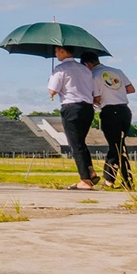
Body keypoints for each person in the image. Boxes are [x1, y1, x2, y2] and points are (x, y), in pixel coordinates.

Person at [48, 47, 101, 190]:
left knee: (75, 144)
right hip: (87, 108)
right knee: (80, 142)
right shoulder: (84, 69)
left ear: (62, 51)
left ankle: (85, 180)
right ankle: (90, 171)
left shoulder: (60, 69)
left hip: (71, 107)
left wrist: (50, 81)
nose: (56, 54)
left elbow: (53, 90)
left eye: (57, 51)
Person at [83, 52, 136, 189]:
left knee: (117, 148)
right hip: (125, 110)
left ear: (87, 64)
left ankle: (126, 180)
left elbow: (97, 98)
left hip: (110, 111)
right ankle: (110, 179)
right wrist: (115, 92)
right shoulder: (117, 71)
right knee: (117, 146)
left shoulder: (94, 76)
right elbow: (130, 89)